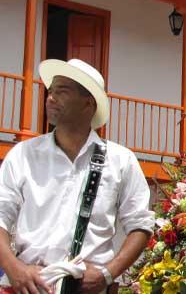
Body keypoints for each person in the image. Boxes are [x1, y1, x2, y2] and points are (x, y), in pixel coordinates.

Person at [0, 59, 155, 294]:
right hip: (26, 287)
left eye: (62, 91)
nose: (51, 98)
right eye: (50, 91)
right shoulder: (23, 154)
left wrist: (107, 273)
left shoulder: (120, 160)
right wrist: (15, 270)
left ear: (88, 103)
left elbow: (141, 225)